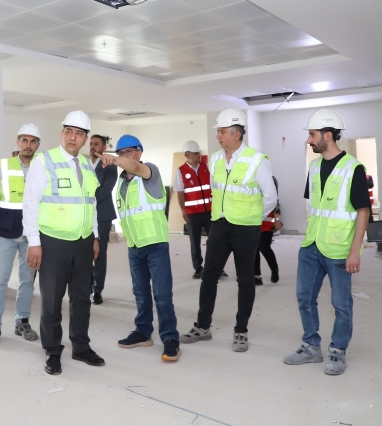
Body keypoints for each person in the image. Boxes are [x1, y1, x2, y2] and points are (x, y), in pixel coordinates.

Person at [180, 108, 277, 353]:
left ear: (237, 134)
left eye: (222, 132)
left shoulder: (257, 160)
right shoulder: (214, 159)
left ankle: (241, 330)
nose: (218, 136)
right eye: (219, 132)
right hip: (219, 226)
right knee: (208, 277)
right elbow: (217, 190)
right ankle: (203, 326)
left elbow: (270, 197)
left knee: (245, 279)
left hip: (246, 229)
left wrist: (252, 219)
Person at [283, 109, 370, 376]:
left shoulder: (353, 168)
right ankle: (311, 346)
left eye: (312, 135)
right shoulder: (314, 167)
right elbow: (316, 207)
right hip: (312, 245)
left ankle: (338, 350)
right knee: (304, 297)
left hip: (339, 248)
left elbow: (363, 211)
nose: (309, 140)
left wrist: (355, 251)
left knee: (341, 303)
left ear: (328, 135)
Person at [22, 110, 104, 376]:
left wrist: (94, 236)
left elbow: (90, 203)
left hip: (83, 242)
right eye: (69, 131)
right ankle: (52, 350)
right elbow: (30, 203)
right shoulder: (44, 161)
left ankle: (81, 346)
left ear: (85, 139)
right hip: (53, 242)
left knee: (81, 299)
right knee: (52, 300)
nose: (73, 137)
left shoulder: (87, 166)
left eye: (79, 133)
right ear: (62, 133)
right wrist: (34, 242)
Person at [104, 135, 181, 362]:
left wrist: (114, 160)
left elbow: (136, 168)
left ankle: (170, 337)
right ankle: (143, 331)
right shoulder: (122, 183)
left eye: (129, 152)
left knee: (162, 294)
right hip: (134, 246)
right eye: (121, 153)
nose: (125, 156)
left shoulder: (149, 172)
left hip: (155, 244)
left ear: (139, 152)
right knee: (140, 293)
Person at [0, 124, 42, 345]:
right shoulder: (4, 165)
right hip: (5, 232)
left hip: (31, 235)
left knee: (27, 281)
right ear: (18, 142)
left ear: (38, 145)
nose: (28, 145)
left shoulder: (42, 167)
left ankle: (22, 322)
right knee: (0, 279)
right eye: (24, 140)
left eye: (33, 141)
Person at [174, 140, 211, 279]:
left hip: (209, 212)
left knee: (214, 241)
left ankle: (214, 267)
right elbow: (180, 192)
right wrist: (183, 210)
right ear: (188, 155)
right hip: (193, 213)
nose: (199, 155)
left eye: (199, 152)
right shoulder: (180, 171)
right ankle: (198, 268)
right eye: (196, 153)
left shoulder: (206, 167)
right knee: (195, 242)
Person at [90, 134, 117, 304]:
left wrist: (88, 201)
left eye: (97, 144)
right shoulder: (85, 164)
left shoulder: (110, 165)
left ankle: (97, 289)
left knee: (99, 252)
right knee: (84, 252)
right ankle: (85, 286)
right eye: (91, 143)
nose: (93, 147)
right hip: (85, 216)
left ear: (104, 147)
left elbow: (106, 190)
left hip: (102, 214)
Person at [255, 176, 281, 285]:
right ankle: (256, 275)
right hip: (252, 220)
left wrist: (277, 220)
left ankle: (274, 269)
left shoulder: (271, 179)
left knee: (264, 247)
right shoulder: (250, 178)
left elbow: (275, 202)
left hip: (267, 222)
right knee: (254, 249)